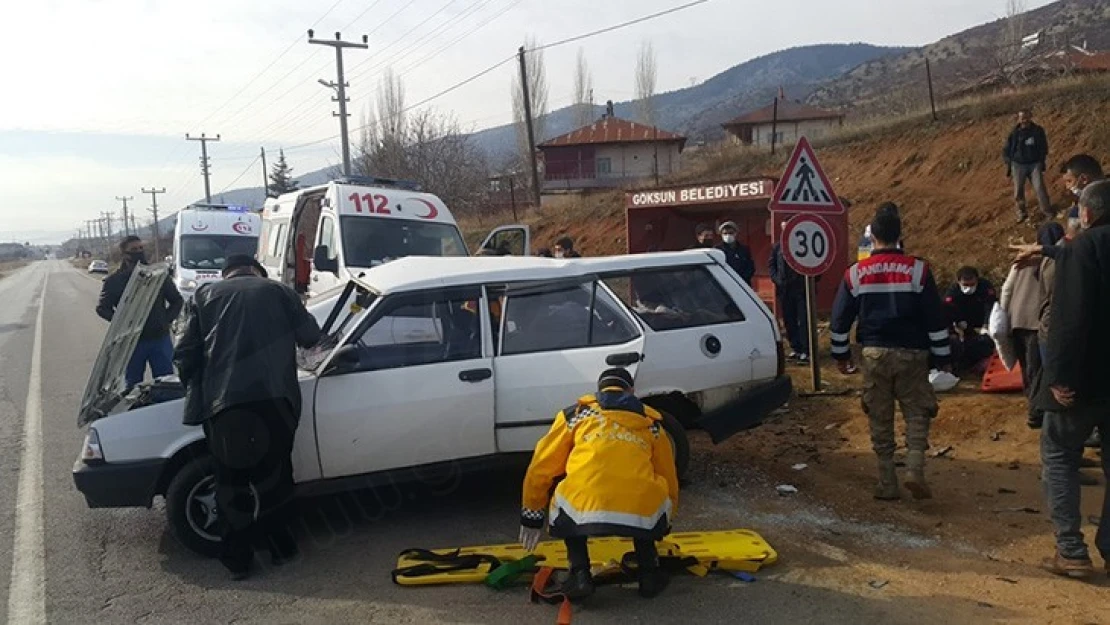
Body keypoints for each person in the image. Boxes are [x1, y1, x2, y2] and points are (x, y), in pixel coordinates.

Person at [174, 255, 324, 580]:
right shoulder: (280, 292)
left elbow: (184, 353)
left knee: (231, 484)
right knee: (277, 477)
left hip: (226, 406)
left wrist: (197, 389)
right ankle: (282, 550)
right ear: (257, 271)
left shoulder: (203, 296)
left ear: (226, 273)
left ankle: (238, 562)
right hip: (276, 400)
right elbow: (311, 336)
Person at [519, 368, 678, 601]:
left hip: (582, 508)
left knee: (567, 490)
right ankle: (649, 574)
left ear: (599, 389)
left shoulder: (575, 416)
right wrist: (665, 521)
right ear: (631, 390)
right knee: (651, 490)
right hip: (640, 511)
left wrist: (531, 514)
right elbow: (669, 476)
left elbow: (540, 467)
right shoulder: (652, 425)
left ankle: (580, 573)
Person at [829, 210, 950, 501]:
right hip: (913, 353)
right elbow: (935, 317)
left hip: (874, 354)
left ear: (872, 237)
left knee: (879, 417)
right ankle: (914, 469)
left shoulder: (855, 273)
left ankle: (887, 483)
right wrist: (942, 357)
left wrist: (841, 355)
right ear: (900, 235)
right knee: (917, 412)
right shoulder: (919, 270)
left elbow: (839, 319)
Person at [1037, 180, 1110, 579]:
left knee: (1059, 454)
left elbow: (1069, 318)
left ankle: (1071, 550)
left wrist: (1060, 375)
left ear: (1087, 212)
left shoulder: (1082, 249)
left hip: (1084, 379)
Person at [96, 235, 183, 388]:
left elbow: (177, 300)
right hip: (131, 342)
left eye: (141, 248)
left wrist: (165, 320)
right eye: (134, 250)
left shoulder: (158, 276)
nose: (139, 252)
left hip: (159, 339)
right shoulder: (114, 281)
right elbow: (102, 308)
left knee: (167, 383)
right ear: (124, 254)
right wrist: (122, 322)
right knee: (132, 387)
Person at [1002, 222, 1064, 429]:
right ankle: (1036, 411)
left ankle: (1032, 405)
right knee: (1038, 370)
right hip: (1037, 323)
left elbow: (1007, 289)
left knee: (1028, 369)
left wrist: (1005, 318)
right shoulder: (1056, 260)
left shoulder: (1023, 259)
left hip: (1017, 320)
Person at [944, 266, 997, 375]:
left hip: (981, 319)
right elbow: (947, 313)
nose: (969, 288)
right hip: (963, 320)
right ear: (958, 282)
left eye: (972, 285)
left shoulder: (985, 287)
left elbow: (990, 307)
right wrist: (953, 330)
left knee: (985, 342)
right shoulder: (953, 292)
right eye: (965, 285)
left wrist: (987, 325)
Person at [1002, 109, 1052, 222]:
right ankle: (1021, 213)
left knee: (1040, 188)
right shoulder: (1014, 133)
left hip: (1034, 164)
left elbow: (1044, 147)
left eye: (1026, 117)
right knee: (1018, 191)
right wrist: (1009, 162)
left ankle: (1047, 211)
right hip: (1018, 165)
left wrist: (1041, 160)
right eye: (1022, 117)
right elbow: (1006, 149)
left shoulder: (1038, 131)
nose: (1024, 120)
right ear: (1018, 119)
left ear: (1030, 117)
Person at [769, 225, 808, 362]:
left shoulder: (803, 244)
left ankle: (806, 350)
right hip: (785, 290)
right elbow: (771, 265)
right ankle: (795, 347)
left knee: (803, 321)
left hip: (801, 289)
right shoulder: (778, 247)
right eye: (783, 228)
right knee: (789, 320)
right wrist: (777, 279)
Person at [716, 221, 755, 285]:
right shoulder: (717, 250)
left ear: (736, 233)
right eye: (725, 233)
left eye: (731, 233)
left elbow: (750, 267)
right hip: (724, 285)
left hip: (743, 284)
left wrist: (741, 279)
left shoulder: (744, 249)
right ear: (721, 235)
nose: (728, 235)